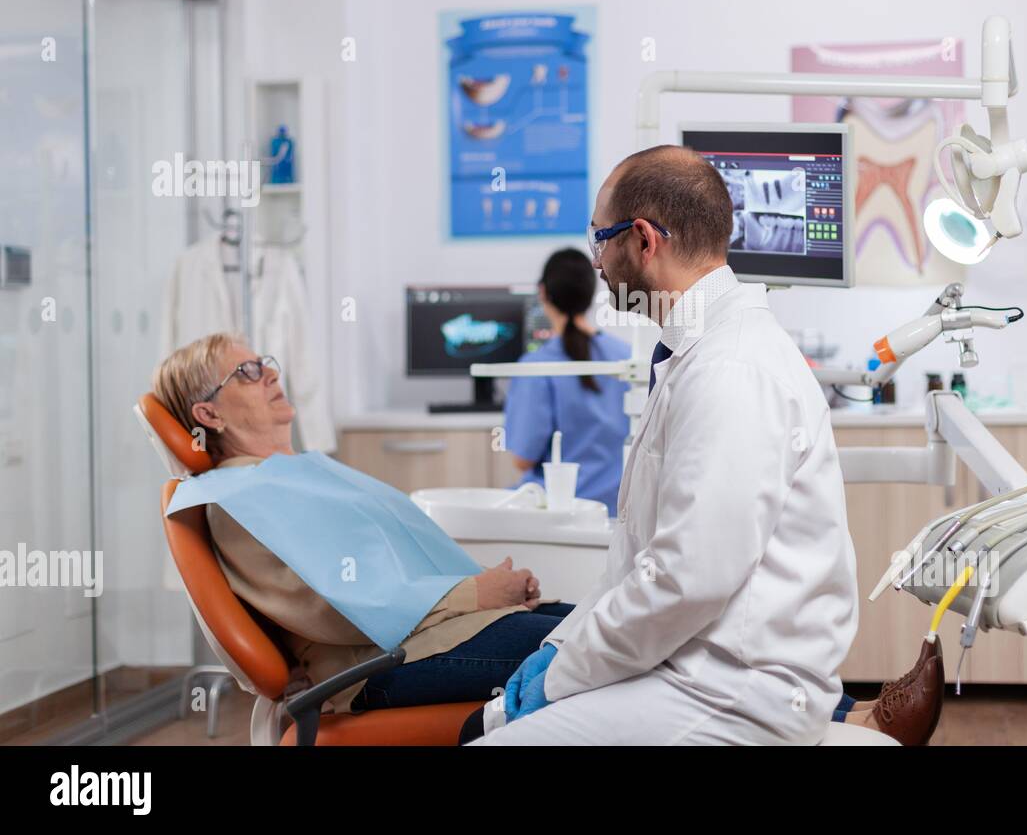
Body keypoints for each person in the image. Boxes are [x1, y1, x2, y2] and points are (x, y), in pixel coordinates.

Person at [472, 145, 888, 745]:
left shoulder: (730, 369)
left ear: (643, 240)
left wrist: (560, 678)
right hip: (689, 664)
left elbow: (685, 581)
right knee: (482, 725)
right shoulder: (692, 355)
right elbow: (638, 557)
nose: (597, 261)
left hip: (732, 691)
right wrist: (560, 647)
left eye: (599, 239)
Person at [152, 332, 576, 720]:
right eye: (246, 372)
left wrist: (489, 586)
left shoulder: (288, 473)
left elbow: (398, 559)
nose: (269, 375)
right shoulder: (237, 501)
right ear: (208, 413)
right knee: (599, 649)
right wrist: (478, 593)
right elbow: (337, 603)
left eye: (265, 363)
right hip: (380, 665)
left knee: (605, 625)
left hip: (438, 633)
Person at [503, 248, 631, 514]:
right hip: (615, 510)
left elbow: (523, 460)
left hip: (556, 510)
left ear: (543, 293)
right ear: (591, 295)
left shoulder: (536, 368)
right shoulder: (627, 357)